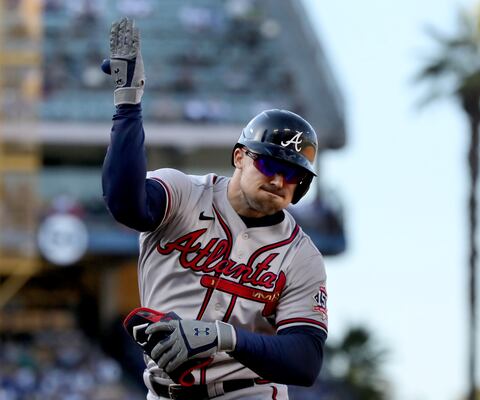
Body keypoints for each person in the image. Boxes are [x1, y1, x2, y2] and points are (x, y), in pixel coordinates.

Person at [101, 17, 328, 400]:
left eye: (293, 176)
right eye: (270, 164)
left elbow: (305, 361)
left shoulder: (301, 256)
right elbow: (125, 204)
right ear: (239, 157)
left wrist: (224, 337)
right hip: (164, 392)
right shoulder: (185, 193)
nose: (279, 180)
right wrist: (128, 106)